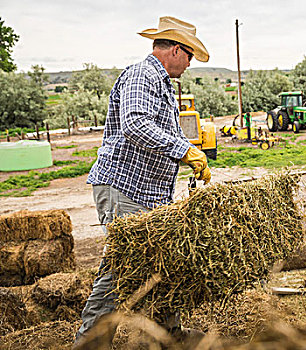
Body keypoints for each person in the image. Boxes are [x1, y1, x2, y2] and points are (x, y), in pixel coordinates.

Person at [75, 16, 211, 342]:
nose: (190, 64)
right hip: (125, 189)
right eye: (190, 56)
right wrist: (186, 151)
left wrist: (185, 155)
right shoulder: (142, 75)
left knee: (164, 262)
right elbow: (135, 124)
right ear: (177, 49)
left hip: (148, 194)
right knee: (119, 273)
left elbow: (156, 130)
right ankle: (89, 345)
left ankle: (170, 335)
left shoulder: (160, 83)